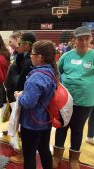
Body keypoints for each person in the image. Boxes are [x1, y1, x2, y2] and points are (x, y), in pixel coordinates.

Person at [53, 27, 94, 169]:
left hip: (85, 102)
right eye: (80, 39)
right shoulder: (66, 56)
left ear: (90, 39)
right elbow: (57, 73)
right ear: (74, 40)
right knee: (61, 127)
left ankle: (74, 159)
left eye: (86, 39)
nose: (83, 42)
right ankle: (57, 155)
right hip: (65, 101)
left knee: (77, 129)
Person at [15, 40, 58, 169]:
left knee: (29, 155)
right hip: (46, 120)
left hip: (32, 124)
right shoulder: (52, 71)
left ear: (40, 57)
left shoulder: (36, 77)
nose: (30, 56)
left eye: (32, 53)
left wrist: (19, 96)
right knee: (44, 149)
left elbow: (28, 103)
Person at [9, 31, 37, 164]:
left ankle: (25, 155)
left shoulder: (32, 59)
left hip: (26, 95)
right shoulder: (23, 56)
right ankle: (24, 152)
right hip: (19, 94)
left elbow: (26, 78)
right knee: (22, 124)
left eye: (20, 43)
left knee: (26, 126)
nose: (17, 46)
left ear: (27, 44)